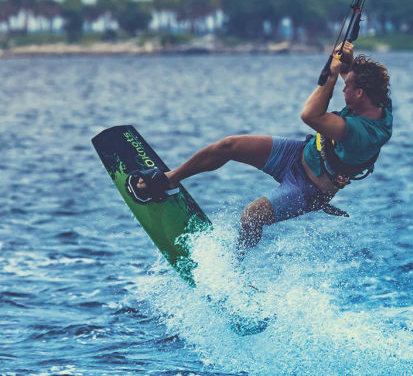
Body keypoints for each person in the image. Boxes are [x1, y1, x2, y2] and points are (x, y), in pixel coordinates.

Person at [126, 41, 392, 258]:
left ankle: (234, 265)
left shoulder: (363, 134)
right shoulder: (378, 101)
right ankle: (169, 180)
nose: (343, 89)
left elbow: (310, 115)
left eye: (347, 87)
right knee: (229, 146)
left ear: (360, 94)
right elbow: (356, 84)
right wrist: (348, 65)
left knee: (251, 216)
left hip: (311, 189)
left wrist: (332, 76)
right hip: (299, 154)